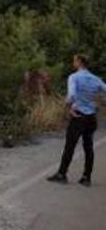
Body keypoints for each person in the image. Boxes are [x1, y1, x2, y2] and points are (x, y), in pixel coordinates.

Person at [47, 54, 106, 187]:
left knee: (70, 146)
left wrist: (68, 108)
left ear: (79, 62)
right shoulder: (96, 79)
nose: (73, 62)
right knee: (88, 146)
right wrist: (100, 103)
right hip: (91, 117)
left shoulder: (74, 77)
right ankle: (86, 177)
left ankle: (62, 174)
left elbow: (72, 94)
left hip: (78, 115)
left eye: (74, 60)